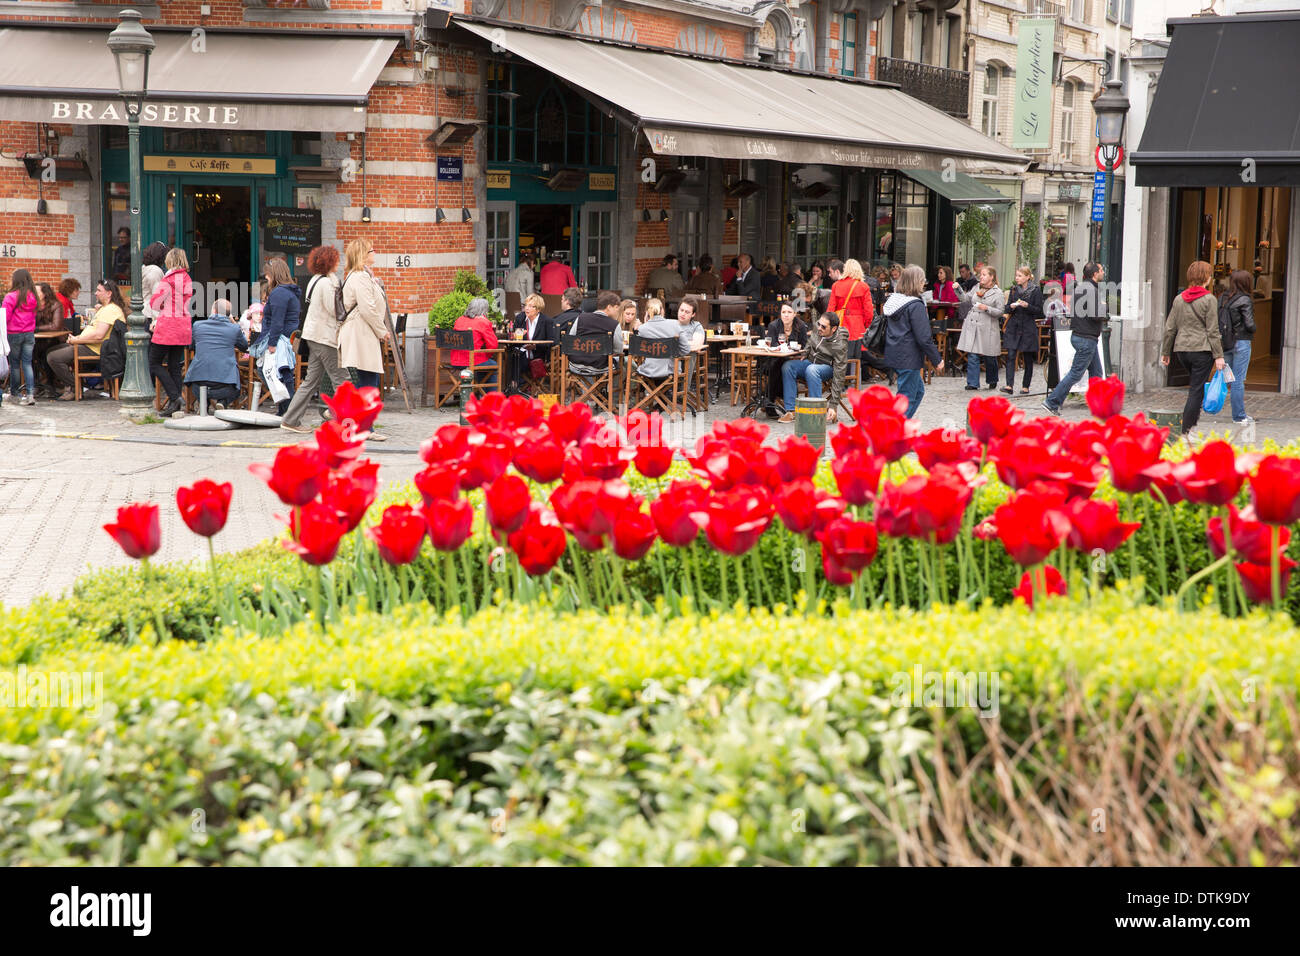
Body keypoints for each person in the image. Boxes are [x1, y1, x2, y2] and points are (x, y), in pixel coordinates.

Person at [280, 245, 351, 433]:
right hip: (325, 337)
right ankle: (339, 418)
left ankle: (290, 419)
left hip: (314, 336)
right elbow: (335, 311)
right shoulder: (327, 284)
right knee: (343, 381)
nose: (338, 263)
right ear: (329, 262)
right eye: (336, 260)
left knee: (311, 381)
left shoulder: (315, 280)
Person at [1160, 260, 1225, 436]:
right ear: (1206, 277)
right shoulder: (1209, 299)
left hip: (1182, 350)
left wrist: (1166, 352)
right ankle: (1187, 430)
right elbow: (1212, 329)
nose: (1211, 278)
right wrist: (1219, 355)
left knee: (1196, 388)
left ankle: (1189, 427)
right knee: (1196, 390)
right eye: (1210, 274)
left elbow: (1170, 328)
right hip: (1202, 350)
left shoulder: (1179, 299)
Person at [1043, 262, 1108, 416]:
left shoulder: (1081, 288)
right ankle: (1052, 401)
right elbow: (1096, 315)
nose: (1103, 272)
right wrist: (1104, 307)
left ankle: (1097, 405)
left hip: (1082, 336)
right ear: (1095, 274)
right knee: (1076, 373)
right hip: (1086, 338)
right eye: (1101, 270)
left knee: (1097, 373)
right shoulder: (1091, 290)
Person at [48, 278, 124, 400]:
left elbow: (99, 335)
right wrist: (77, 338)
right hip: (89, 344)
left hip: (96, 348)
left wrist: (77, 340)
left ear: (109, 293)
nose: (95, 293)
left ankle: (75, 387)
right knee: (50, 350)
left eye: (99, 290)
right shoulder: (106, 308)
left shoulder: (111, 310)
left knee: (53, 357)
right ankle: (68, 386)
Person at [884, 264, 944, 419]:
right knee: (907, 398)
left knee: (917, 391)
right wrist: (937, 359)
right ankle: (893, 432)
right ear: (916, 282)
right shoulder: (914, 305)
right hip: (908, 356)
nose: (924, 284)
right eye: (922, 280)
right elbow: (924, 337)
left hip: (895, 352)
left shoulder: (894, 301)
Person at [339, 238, 391, 401]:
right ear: (363, 255)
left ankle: (355, 419)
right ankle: (362, 422)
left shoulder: (360, 275)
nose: (374, 252)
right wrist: (382, 331)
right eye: (371, 250)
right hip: (360, 333)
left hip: (362, 332)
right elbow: (368, 308)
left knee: (366, 380)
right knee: (368, 382)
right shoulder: (360, 277)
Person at [147, 247, 194, 416]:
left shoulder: (169, 280)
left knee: (153, 362)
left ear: (170, 261)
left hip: (168, 326)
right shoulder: (187, 278)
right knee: (174, 365)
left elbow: (155, 303)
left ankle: (175, 397)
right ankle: (175, 405)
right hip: (183, 326)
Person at [778, 311, 848, 425]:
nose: (819, 328)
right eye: (818, 324)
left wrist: (833, 404)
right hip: (810, 362)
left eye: (823, 327)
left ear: (834, 329)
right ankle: (791, 411)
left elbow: (839, 374)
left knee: (812, 370)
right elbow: (811, 341)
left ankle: (816, 413)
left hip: (827, 368)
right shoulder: (819, 328)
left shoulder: (840, 344)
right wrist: (806, 352)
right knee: (788, 366)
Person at [252, 256, 302, 415]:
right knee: (281, 372)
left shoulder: (279, 293)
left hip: (280, 338)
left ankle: (287, 409)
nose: (266, 277)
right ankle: (285, 409)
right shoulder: (289, 291)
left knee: (272, 373)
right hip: (286, 337)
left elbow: (277, 321)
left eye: (267, 274)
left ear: (274, 274)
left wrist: (272, 343)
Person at [184, 300, 248, 411]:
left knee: (198, 373)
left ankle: (204, 402)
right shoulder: (234, 329)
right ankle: (222, 402)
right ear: (229, 314)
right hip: (226, 386)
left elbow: (191, 346)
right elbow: (244, 346)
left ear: (213, 311)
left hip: (198, 385)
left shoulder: (197, 325)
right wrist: (233, 323)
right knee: (236, 388)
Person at [958, 266, 1004, 390]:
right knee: (973, 354)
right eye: (981, 274)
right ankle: (972, 383)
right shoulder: (976, 287)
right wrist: (958, 289)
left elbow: (1000, 311)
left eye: (984, 274)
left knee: (989, 355)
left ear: (991, 277)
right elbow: (965, 298)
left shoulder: (998, 292)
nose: (981, 277)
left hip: (988, 326)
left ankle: (992, 379)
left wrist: (987, 308)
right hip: (973, 324)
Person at [1220, 269, 1256, 425]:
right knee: (1237, 380)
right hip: (1241, 342)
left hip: (1226, 342)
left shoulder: (1222, 297)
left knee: (1226, 378)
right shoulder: (1245, 299)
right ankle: (1239, 416)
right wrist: (1255, 328)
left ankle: (1209, 405)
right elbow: (1249, 324)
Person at [1001, 266, 1044, 395]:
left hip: (1028, 326)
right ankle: (1009, 385)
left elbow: (1040, 311)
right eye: (1016, 276)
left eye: (1019, 276)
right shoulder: (1014, 291)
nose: (1017, 278)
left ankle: (1026, 386)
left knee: (1027, 357)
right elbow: (1007, 309)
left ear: (1027, 277)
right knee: (1011, 355)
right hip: (1014, 325)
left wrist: (1027, 306)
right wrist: (1012, 306)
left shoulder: (1035, 291)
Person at [762, 300, 810, 417]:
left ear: (795, 313)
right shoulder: (774, 326)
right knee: (779, 364)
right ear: (780, 313)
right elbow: (771, 345)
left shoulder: (801, 326)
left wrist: (798, 350)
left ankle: (767, 399)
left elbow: (805, 346)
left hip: (794, 361)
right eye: (783, 312)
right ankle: (771, 400)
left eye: (789, 312)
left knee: (782, 365)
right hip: (773, 361)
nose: (786, 315)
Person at [566, 290, 622, 377]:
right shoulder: (614, 324)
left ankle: (588, 390)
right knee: (621, 364)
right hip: (600, 367)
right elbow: (618, 350)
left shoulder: (581, 317)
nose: (618, 312)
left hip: (575, 365)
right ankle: (606, 390)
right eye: (617, 308)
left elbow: (570, 340)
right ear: (609, 307)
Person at [3, 269, 38, 405]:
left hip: (14, 333)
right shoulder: (32, 296)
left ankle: (15, 393)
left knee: (15, 365)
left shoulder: (11, 296)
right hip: (29, 333)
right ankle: (30, 395)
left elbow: (5, 317)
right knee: (27, 363)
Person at [508, 292, 556, 390]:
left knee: (517, 360)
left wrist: (535, 346)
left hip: (538, 356)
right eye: (525, 305)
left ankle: (519, 388)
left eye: (530, 306)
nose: (526, 308)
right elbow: (513, 339)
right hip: (522, 354)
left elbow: (553, 342)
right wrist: (517, 336)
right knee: (513, 356)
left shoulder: (546, 321)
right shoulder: (520, 318)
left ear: (538, 309)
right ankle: (515, 387)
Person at [449, 297, 500, 388]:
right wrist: (486, 355)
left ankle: (480, 395)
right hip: (472, 360)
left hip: (455, 360)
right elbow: (493, 345)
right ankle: (489, 398)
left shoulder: (459, 320)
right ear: (484, 310)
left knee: (483, 361)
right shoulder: (483, 322)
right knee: (491, 364)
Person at [826, 257, 874, 354]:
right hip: (858, 325)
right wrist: (866, 325)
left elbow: (830, 310)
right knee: (857, 356)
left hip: (841, 324)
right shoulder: (863, 286)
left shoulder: (836, 285)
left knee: (841, 354)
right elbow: (869, 312)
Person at [628, 302, 681, 381]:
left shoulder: (642, 328)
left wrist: (646, 321)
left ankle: (648, 391)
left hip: (648, 370)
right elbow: (685, 349)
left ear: (647, 313)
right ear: (662, 311)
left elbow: (637, 348)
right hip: (670, 371)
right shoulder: (675, 324)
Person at [33, 282, 64, 399]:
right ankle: (35, 384)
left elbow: (56, 326)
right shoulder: (32, 305)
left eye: (37, 291)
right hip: (37, 340)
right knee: (28, 352)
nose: (34, 293)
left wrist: (36, 329)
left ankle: (50, 384)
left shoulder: (55, 305)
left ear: (45, 293)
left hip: (53, 339)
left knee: (48, 351)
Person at [139, 241, 167, 326]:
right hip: (150, 316)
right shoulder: (155, 271)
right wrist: (157, 320)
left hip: (144, 313)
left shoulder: (144, 268)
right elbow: (157, 297)